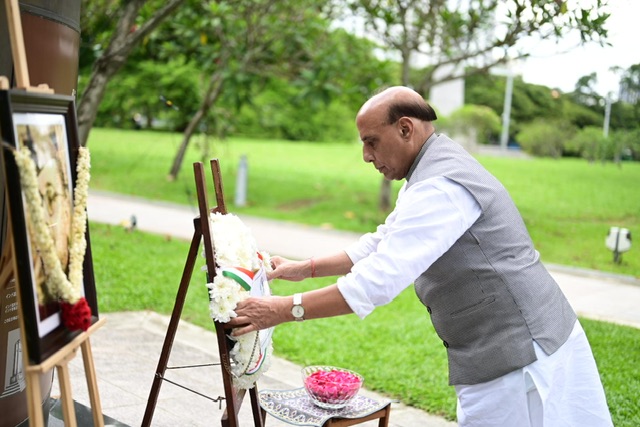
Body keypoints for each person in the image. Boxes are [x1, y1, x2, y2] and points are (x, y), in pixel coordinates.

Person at [228, 86, 612, 426]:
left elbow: (377, 281)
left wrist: (282, 309)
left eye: (371, 141)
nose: (365, 155)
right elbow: (383, 242)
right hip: (508, 348)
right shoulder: (431, 168)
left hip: (522, 356)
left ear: (406, 129)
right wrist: (305, 269)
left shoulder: (440, 186)